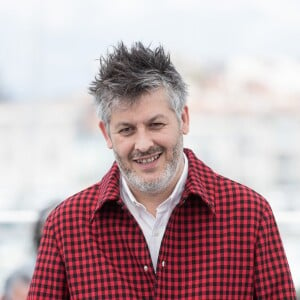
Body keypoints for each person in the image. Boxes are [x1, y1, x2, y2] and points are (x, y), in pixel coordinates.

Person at [27, 42, 296, 299]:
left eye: (156, 125)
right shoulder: (65, 227)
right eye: (127, 130)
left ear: (183, 119)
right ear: (106, 134)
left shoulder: (250, 216)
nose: (143, 144)